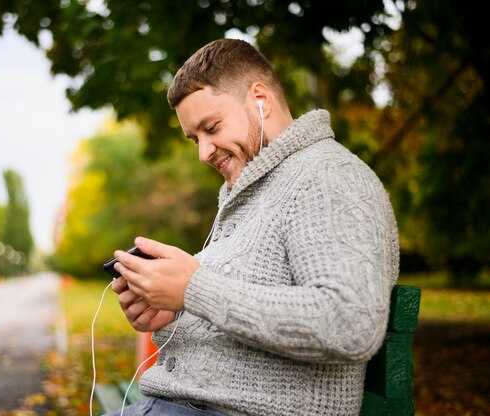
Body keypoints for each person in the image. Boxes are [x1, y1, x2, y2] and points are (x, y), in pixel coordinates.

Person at [108, 38, 399, 416]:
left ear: (260, 99)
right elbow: (242, 296)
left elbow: (349, 322)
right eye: (195, 138)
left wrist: (194, 289)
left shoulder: (327, 177)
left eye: (211, 128)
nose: (203, 152)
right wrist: (173, 313)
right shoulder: (254, 188)